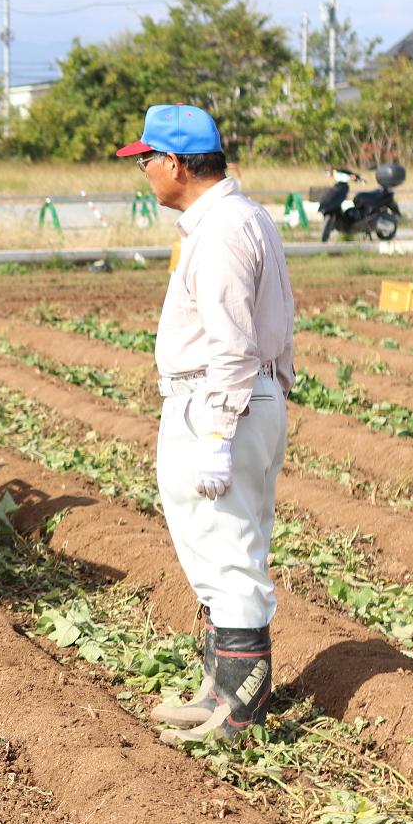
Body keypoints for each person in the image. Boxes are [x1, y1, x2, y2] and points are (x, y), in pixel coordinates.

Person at [119, 104, 295, 746]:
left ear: (174, 163)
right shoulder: (232, 217)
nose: (143, 173)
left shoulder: (222, 229)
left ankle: (241, 715)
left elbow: (234, 343)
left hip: (224, 401)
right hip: (239, 398)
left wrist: (219, 435)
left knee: (227, 550)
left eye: (147, 161)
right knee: (212, 545)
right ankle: (220, 690)